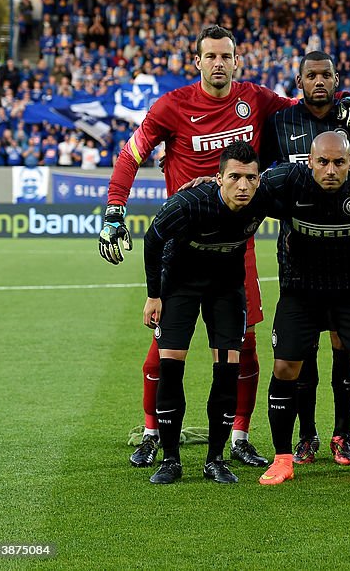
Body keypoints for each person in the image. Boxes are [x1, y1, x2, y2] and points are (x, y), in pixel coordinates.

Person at [100, 24, 350, 470]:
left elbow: (307, 109)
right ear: (198, 61)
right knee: (164, 345)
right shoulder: (172, 105)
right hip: (183, 244)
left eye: (226, 56)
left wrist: (347, 105)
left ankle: (239, 436)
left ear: (236, 60)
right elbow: (131, 153)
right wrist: (114, 209)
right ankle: (151, 432)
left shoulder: (256, 99)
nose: (219, 63)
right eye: (211, 56)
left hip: (236, 243)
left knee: (244, 342)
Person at [256, 131, 350, 486]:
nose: (330, 169)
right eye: (322, 162)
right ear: (309, 162)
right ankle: (282, 457)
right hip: (300, 292)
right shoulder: (286, 181)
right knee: (286, 366)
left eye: (338, 162)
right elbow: (243, 192)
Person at [260, 51, 350, 467]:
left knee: (346, 347)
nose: (319, 81)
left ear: (336, 78)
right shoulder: (281, 123)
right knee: (300, 350)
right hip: (296, 253)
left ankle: (343, 434)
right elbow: (264, 176)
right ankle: (306, 435)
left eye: (326, 74)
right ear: (300, 80)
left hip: (345, 255)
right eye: (311, 75)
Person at [143, 142, 272, 485]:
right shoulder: (188, 204)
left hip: (227, 288)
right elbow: (152, 241)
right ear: (219, 178)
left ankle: (215, 460)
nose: (243, 186)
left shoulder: (263, 197)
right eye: (234, 177)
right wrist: (153, 296)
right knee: (170, 368)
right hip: (180, 286)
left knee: (229, 370)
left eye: (250, 178)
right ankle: (170, 460)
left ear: (259, 180)